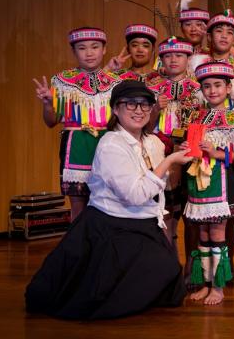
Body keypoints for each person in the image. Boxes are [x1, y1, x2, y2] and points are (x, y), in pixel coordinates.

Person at [25, 80, 192, 320]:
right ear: (115, 109)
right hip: (112, 226)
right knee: (101, 298)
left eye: (144, 104)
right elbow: (135, 195)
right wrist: (170, 160)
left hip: (144, 224)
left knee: (171, 283)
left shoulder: (153, 142)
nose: (138, 110)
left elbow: (160, 186)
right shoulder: (110, 144)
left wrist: (179, 154)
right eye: (130, 104)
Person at [33, 27, 121, 220]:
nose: (89, 53)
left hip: (109, 145)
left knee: (110, 203)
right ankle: (78, 240)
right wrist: (47, 104)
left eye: (95, 47)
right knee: (78, 205)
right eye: (82, 48)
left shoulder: (116, 82)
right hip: (76, 145)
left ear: (104, 49)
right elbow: (51, 122)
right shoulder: (62, 81)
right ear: (73, 51)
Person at [185, 62, 234, 305]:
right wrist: (187, 149)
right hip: (199, 183)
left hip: (223, 183)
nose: (212, 90)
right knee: (202, 233)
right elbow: (192, 151)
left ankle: (218, 287)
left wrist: (215, 153)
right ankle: (206, 282)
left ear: (228, 87)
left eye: (218, 85)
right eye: (207, 86)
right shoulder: (196, 117)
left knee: (217, 232)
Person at [145, 37, 201, 251]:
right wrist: (155, 109)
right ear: (161, 59)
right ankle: (170, 259)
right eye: (168, 56)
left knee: (192, 213)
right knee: (166, 209)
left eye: (179, 55)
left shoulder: (199, 88)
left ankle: (191, 265)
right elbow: (145, 128)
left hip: (192, 152)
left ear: (188, 58)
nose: (173, 60)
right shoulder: (152, 88)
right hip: (160, 152)